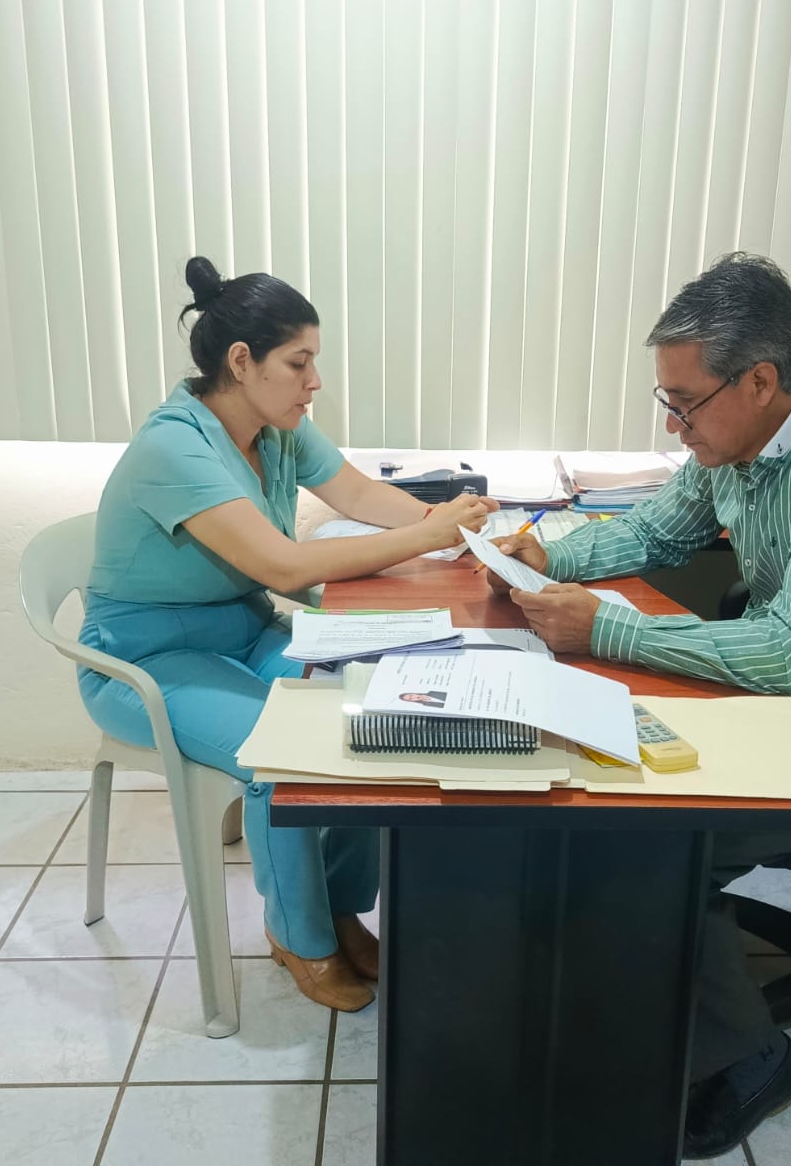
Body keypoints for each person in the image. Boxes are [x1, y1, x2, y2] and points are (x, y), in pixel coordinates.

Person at [488, 252, 791, 1158]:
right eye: (666, 400)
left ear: (760, 380)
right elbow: (655, 529)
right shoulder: (743, 442)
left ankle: (751, 1058)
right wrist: (546, 557)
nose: (674, 426)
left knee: (646, 840)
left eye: (686, 402)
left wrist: (604, 629)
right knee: (608, 789)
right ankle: (656, 972)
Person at [79, 256, 495, 1014]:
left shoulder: (277, 431)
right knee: (281, 757)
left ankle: (338, 907)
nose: (315, 381)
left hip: (242, 631)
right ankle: (299, 938)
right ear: (242, 362)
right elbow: (282, 564)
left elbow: (359, 494)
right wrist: (429, 535)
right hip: (143, 661)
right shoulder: (174, 446)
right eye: (299, 363)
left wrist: (456, 527)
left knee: (373, 715)